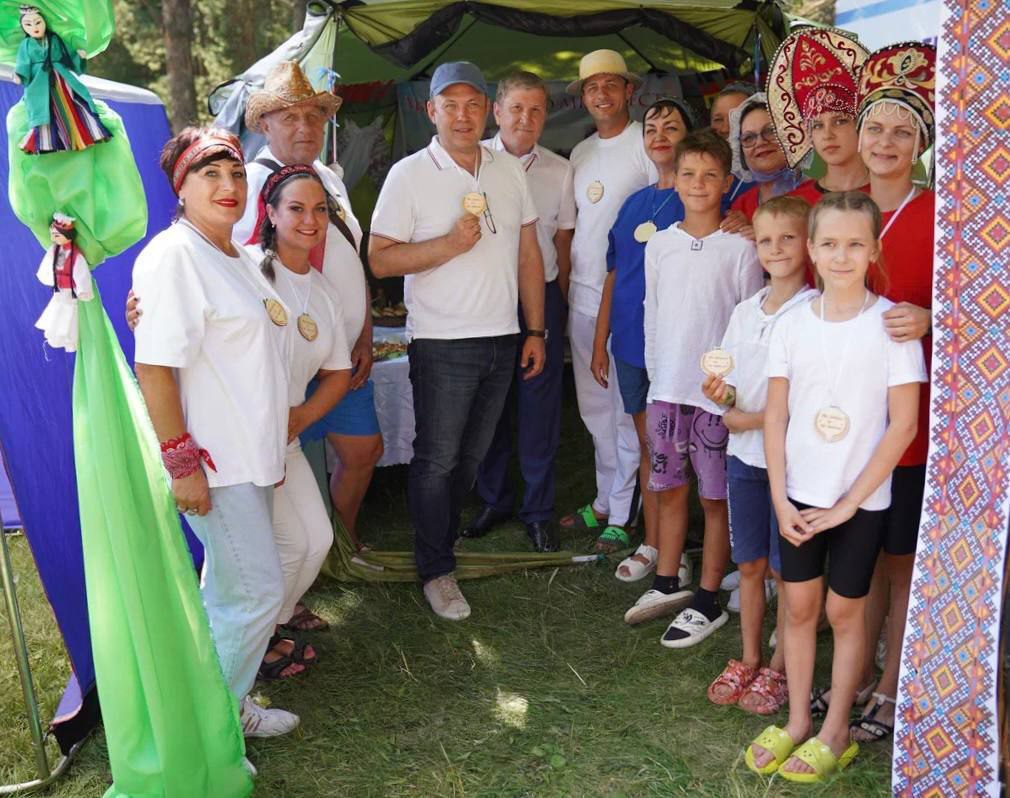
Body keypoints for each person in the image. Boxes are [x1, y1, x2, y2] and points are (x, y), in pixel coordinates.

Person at [747, 191, 926, 781]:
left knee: (845, 611)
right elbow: (776, 415)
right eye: (829, 244)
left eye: (854, 244)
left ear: (874, 250)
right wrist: (779, 497)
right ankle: (800, 720)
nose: (841, 256)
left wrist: (850, 503)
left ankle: (836, 729)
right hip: (798, 495)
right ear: (812, 250)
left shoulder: (892, 326)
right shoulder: (793, 324)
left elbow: (903, 425)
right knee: (799, 607)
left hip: (861, 500)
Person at [131, 126, 299, 737]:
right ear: (181, 188)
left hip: (251, 455)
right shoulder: (174, 256)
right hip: (215, 462)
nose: (229, 185)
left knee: (230, 592)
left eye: (235, 173)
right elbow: (154, 367)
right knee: (255, 593)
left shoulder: (236, 255)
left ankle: (222, 704)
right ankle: (214, 732)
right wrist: (182, 466)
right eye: (210, 174)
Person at [369, 62, 546, 620]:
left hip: (502, 336)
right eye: (451, 105)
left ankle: (440, 544)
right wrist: (447, 246)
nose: (462, 116)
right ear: (431, 111)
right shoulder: (408, 174)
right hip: (443, 341)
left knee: (469, 458)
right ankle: (436, 569)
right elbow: (380, 258)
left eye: (472, 104)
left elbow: (528, 254)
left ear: (487, 110)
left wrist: (535, 329)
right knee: (438, 460)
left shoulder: (508, 169)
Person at [239, 61, 382, 579]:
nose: (305, 127)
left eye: (314, 117)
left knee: (363, 451)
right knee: (274, 472)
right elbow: (223, 264)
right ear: (265, 125)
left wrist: (363, 333)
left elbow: (353, 259)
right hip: (284, 360)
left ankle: (334, 549)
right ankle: (282, 570)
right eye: (290, 117)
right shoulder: (248, 183)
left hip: (339, 353)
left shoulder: (330, 181)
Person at [846, 42, 937, 744]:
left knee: (901, 555)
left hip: (909, 420)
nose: (885, 142)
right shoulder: (839, 211)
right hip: (845, 414)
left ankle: (892, 685)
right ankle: (857, 671)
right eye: (875, 127)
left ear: (921, 145)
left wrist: (933, 318)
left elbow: (985, 305)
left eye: (902, 131)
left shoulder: (943, 215)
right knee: (862, 552)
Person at [639, 131, 763, 647]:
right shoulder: (661, 245)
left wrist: (734, 388)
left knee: (716, 497)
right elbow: (652, 313)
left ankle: (708, 597)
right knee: (669, 489)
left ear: (727, 183)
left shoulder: (741, 248)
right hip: (668, 390)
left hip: (715, 396)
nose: (697, 183)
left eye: (710, 175)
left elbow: (750, 323)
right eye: (688, 174)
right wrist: (656, 379)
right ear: (674, 179)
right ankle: (667, 581)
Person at [702, 196, 817, 714]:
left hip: (791, 467)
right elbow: (731, 383)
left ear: (808, 245)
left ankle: (780, 667)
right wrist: (720, 394)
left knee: (784, 571)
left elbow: (809, 399)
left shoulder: (814, 312)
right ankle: (749, 657)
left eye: (788, 238)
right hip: (744, 459)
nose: (776, 248)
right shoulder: (745, 310)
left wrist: (744, 418)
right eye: (766, 239)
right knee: (749, 563)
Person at [587, 97, 696, 599]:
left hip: (678, 345)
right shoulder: (633, 203)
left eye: (671, 127)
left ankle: (678, 547)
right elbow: (614, 274)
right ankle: (652, 544)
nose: (660, 135)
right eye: (651, 127)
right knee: (651, 445)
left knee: (681, 448)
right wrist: (600, 340)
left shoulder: (701, 198)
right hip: (630, 342)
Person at [462, 70, 575, 553]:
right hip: (489, 294)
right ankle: (495, 499)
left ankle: (538, 509)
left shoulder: (560, 170)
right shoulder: (472, 162)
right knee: (490, 403)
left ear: (546, 116)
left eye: (535, 110)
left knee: (538, 407)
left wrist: (557, 306)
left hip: (540, 297)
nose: (525, 119)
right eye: (516, 109)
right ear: (497, 112)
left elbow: (562, 242)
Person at [251, 165, 353, 678]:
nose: (310, 220)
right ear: (270, 213)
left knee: (316, 541)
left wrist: (302, 417)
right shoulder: (243, 268)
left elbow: (338, 373)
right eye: (296, 208)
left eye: (319, 210)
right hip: (239, 439)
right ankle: (250, 644)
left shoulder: (323, 293)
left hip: (285, 438)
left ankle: (268, 628)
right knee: (273, 551)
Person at [562, 49, 657, 552]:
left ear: (628, 91)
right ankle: (603, 499)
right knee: (594, 407)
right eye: (591, 87)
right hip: (582, 295)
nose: (601, 94)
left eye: (611, 85)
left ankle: (624, 512)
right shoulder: (580, 153)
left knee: (625, 410)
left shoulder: (646, 142)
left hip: (628, 300)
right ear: (583, 97)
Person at [764, 29, 871, 205]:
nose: (827, 135)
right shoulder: (797, 204)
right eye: (817, 125)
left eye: (840, 121)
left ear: (862, 124)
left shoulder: (890, 195)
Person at [13, 4, 111, 153]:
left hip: (61, 77)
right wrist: (19, 74)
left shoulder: (55, 39)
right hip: (38, 81)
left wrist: (78, 57)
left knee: (74, 101)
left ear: (44, 22)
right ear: (23, 27)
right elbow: (23, 63)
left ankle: (89, 133)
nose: (34, 27)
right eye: (28, 24)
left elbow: (68, 55)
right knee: (43, 110)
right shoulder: (25, 45)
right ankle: (47, 143)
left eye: (38, 22)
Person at [728, 93, 801, 222]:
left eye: (770, 131)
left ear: (790, 136)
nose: (760, 142)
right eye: (748, 138)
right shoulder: (740, 207)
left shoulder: (819, 194)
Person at [708, 82, 756, 204]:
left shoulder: (769, 176)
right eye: (718, 119)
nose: (725, 128)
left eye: (735, 118)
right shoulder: (702, 172)